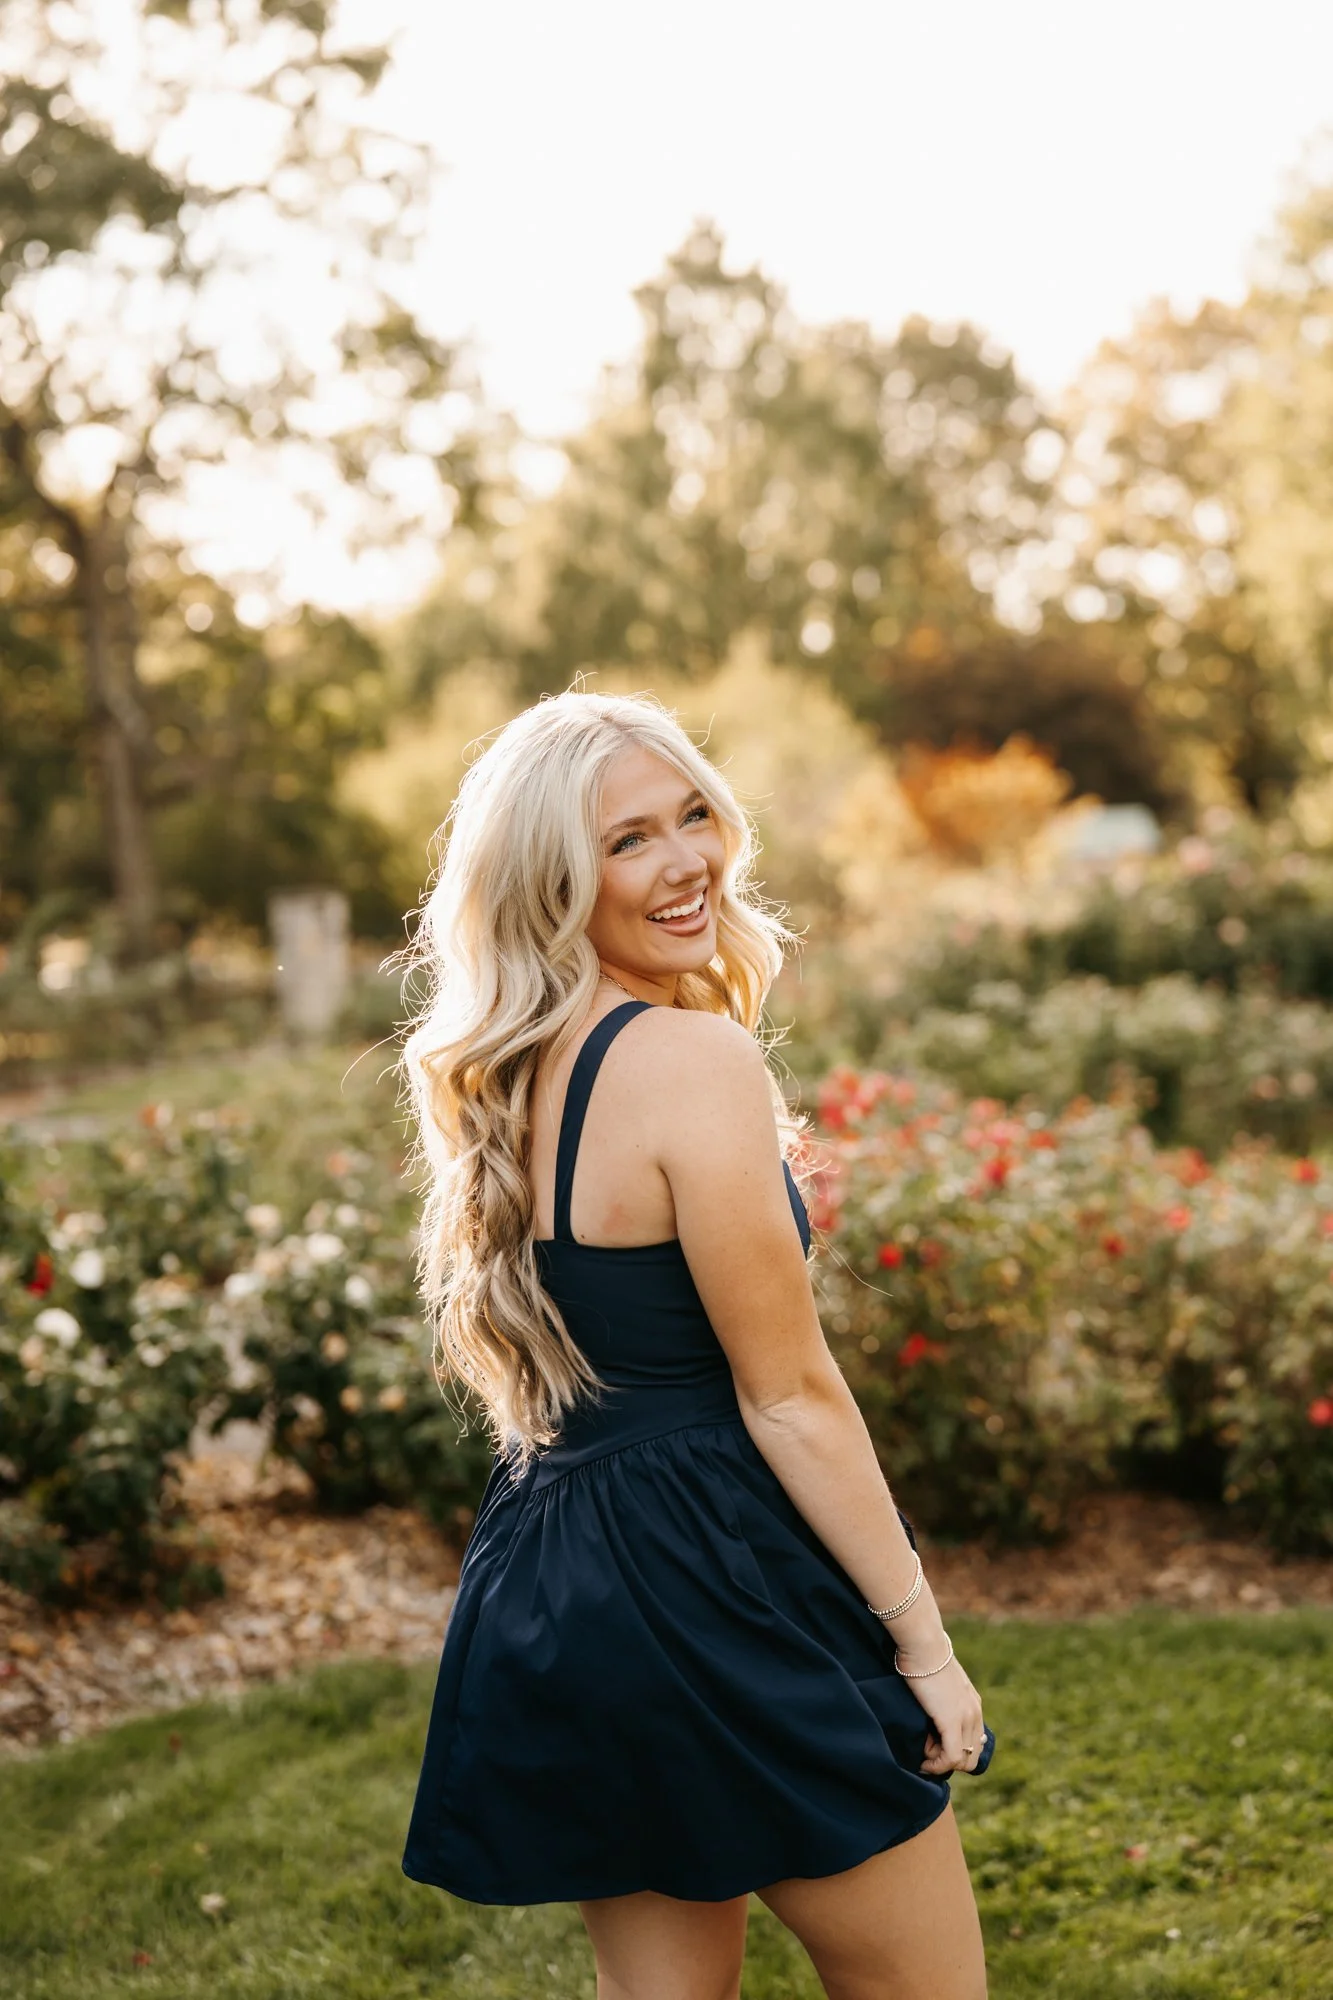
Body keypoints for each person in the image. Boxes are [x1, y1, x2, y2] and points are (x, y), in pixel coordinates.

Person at [396, 688, 993, 2000]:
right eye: (628, 841)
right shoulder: (689, 1059)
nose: (686, 864)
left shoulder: (527, 1066)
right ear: (554, 880)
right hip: (712, 1574)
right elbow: (790, 1397)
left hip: (566, 1570)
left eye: (694, 817)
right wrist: (925, 1650)